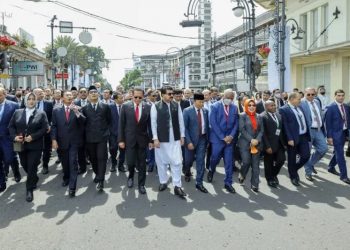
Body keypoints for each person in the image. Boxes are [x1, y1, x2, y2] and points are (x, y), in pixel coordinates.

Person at [8, 93, 49, 202]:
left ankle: (29, 189)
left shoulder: (41, 113)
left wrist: (33, 137)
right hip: (21, 145)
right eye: (29, 99)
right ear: (25, 100)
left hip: (35, 145)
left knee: (31, 166)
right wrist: (14, 137)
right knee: (24, 164)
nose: (31, 101)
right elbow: (11, 126)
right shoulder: (17, 112)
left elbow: (45, 128)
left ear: (36, 101)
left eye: (33, 99)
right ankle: (34, 177)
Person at [151, 86, 186, 198]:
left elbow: (181, 121)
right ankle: (163, 182)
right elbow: (153, 124)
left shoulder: (176, 105)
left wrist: (182, 135)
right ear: (162, 95)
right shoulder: (155, 106)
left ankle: (177, 185)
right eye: (169, 94)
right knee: (161, 162)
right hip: (161, 139)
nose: (171, 96)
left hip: (175, 137)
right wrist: (155, 138)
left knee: (177, 161)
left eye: (172, 94)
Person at [51, 91, 86, 197]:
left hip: (74, 141)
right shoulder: (56, 110)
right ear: (62, 98)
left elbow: (84, 122)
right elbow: (54, 126)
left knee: (73, 163)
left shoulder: (78, 108)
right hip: (61, 142)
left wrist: (76, 112)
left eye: (71, 95)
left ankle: (72, 187)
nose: (70, 97)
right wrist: (54, 139)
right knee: (65, 163)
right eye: (67, 95)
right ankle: (66, 177)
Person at [118, 87, 152, 194]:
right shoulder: (125, 106)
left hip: (142, 140)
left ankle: (141, 184)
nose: (137, 99)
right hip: (129, 139)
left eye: (140, 97)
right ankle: (130, 177)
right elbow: (121, 124)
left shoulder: (148, 107)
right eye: (135, 97)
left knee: (142, 164)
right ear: (132, 96)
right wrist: (121, 140)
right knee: (131, 162)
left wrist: (151, 140)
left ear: (143, 96)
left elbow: (150, 126)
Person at [207, 89, 239, 193]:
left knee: (229, 161)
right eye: (227, 97)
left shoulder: (234, 108)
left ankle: (228, 183)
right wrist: (222, 137)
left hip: (229, 140)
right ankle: (211, 170)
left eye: (231, 98)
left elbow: (236, 124)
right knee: (214, 158)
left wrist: (231, 136)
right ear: (223, 96)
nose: (229, 100)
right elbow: (213, 123)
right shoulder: (215, 106)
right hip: (217, 139)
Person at [82, 85, 111, 191]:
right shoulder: (84, 108)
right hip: (89, 138)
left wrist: (106, 133)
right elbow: (83, 123)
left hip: (102, 138)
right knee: (93, 158)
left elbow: (109, 120)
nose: (93, 93)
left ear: (98, 94)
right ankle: (97, 174)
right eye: (91, 92)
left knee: (101, 158)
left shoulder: (105, 107)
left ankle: (101, 180)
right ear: (88, 96)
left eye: (95, 92)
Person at [279, 92, 311, 186]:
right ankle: (293, 176)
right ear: (292, 99)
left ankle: (293, 169)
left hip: (303, 136)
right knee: (292, 158)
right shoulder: (283, 109)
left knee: (306, 156)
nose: (300, 101)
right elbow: (285, 126)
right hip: (292, 138)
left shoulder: (299, 107)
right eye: (299, 99)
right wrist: (289, 138)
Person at [183, 92, 209, 193]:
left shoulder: (205, 111)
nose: (202, 104)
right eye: (200, 102)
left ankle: (199, 182)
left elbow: (206, 126)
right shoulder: (187, 111)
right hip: (190, 140)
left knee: (200, 161)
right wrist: (188, 142)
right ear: (194, 101)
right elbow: (184, 128)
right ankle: (187, 170)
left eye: (203, 102)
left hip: (202, 139)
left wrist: (208, 140)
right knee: (188, 160)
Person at [300, 87, 327, 181]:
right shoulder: (301, 103)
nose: (311, 96)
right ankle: (308, 172)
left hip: (318, 129)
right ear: (304, 94)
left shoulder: (317, 101)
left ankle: (310, 164)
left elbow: (320, 114)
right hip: (308, 131)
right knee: (307, 152)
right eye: (308, 94)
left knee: (323, 149)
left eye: (313, 94)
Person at [237, 99, 264, 192]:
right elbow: (242, 129)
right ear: (245, 106)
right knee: (246, 162)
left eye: (253, 105)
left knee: (256, 165)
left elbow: (262, 130)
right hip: (245, 144)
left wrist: (257, 140)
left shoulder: (259, 116)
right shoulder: (242, 116)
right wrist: (251, 139)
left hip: (256, 144)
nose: (252, 107)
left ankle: (254, 184)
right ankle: (242, 174)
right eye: (249, 105)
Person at [325, 89, 350, 184]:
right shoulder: (330, 107)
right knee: (340, 154)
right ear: (335, 96)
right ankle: (344, 176)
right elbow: (328, 123)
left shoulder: (346, 107)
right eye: (339, 95)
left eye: (342, 95)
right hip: (335, 134)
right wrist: (329, 137)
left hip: (344, 133)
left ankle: (331, 167)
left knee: (337, 152)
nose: (341, 97)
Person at [262, 100, 286, 188]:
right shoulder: (262, 116)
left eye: (274, 105)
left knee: (281, 160)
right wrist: (267, 146)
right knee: (268, 163)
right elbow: (263, 133)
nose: (274, 107)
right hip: (269, 144)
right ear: (266, 107)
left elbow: (281, 130)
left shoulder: (278, 115)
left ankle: (273, 174)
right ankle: (269, 179)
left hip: (279, 143)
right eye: (271, 106)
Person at [0, 87, 20, 192]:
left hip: (8, 138)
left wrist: (17, 135)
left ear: (5, 94)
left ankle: (16, 171)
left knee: (9, 158)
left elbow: (19, 121)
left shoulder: (14, 106)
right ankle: (2, 183)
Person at [33, 88, 53, 175]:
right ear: (33, 94)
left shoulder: (49, 103)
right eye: (38, 93)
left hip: (46, 130)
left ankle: (45, 165)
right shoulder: (29, 103)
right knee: (35, 149)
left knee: (46, 149)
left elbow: (52, 116)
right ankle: (34, 165)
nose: (41, 94)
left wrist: (50, 125)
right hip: (33, 131)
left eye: (42, 93)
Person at [109, 92, 126, 173]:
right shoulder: (110, 107)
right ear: (115, 99)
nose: (122, 99)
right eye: (120, 98)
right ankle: (113, 164)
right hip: (113, 133)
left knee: (123, 150)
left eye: (122, 97)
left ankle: (121, 165)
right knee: (113, 149)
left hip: (124, 133)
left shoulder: (126, 107)